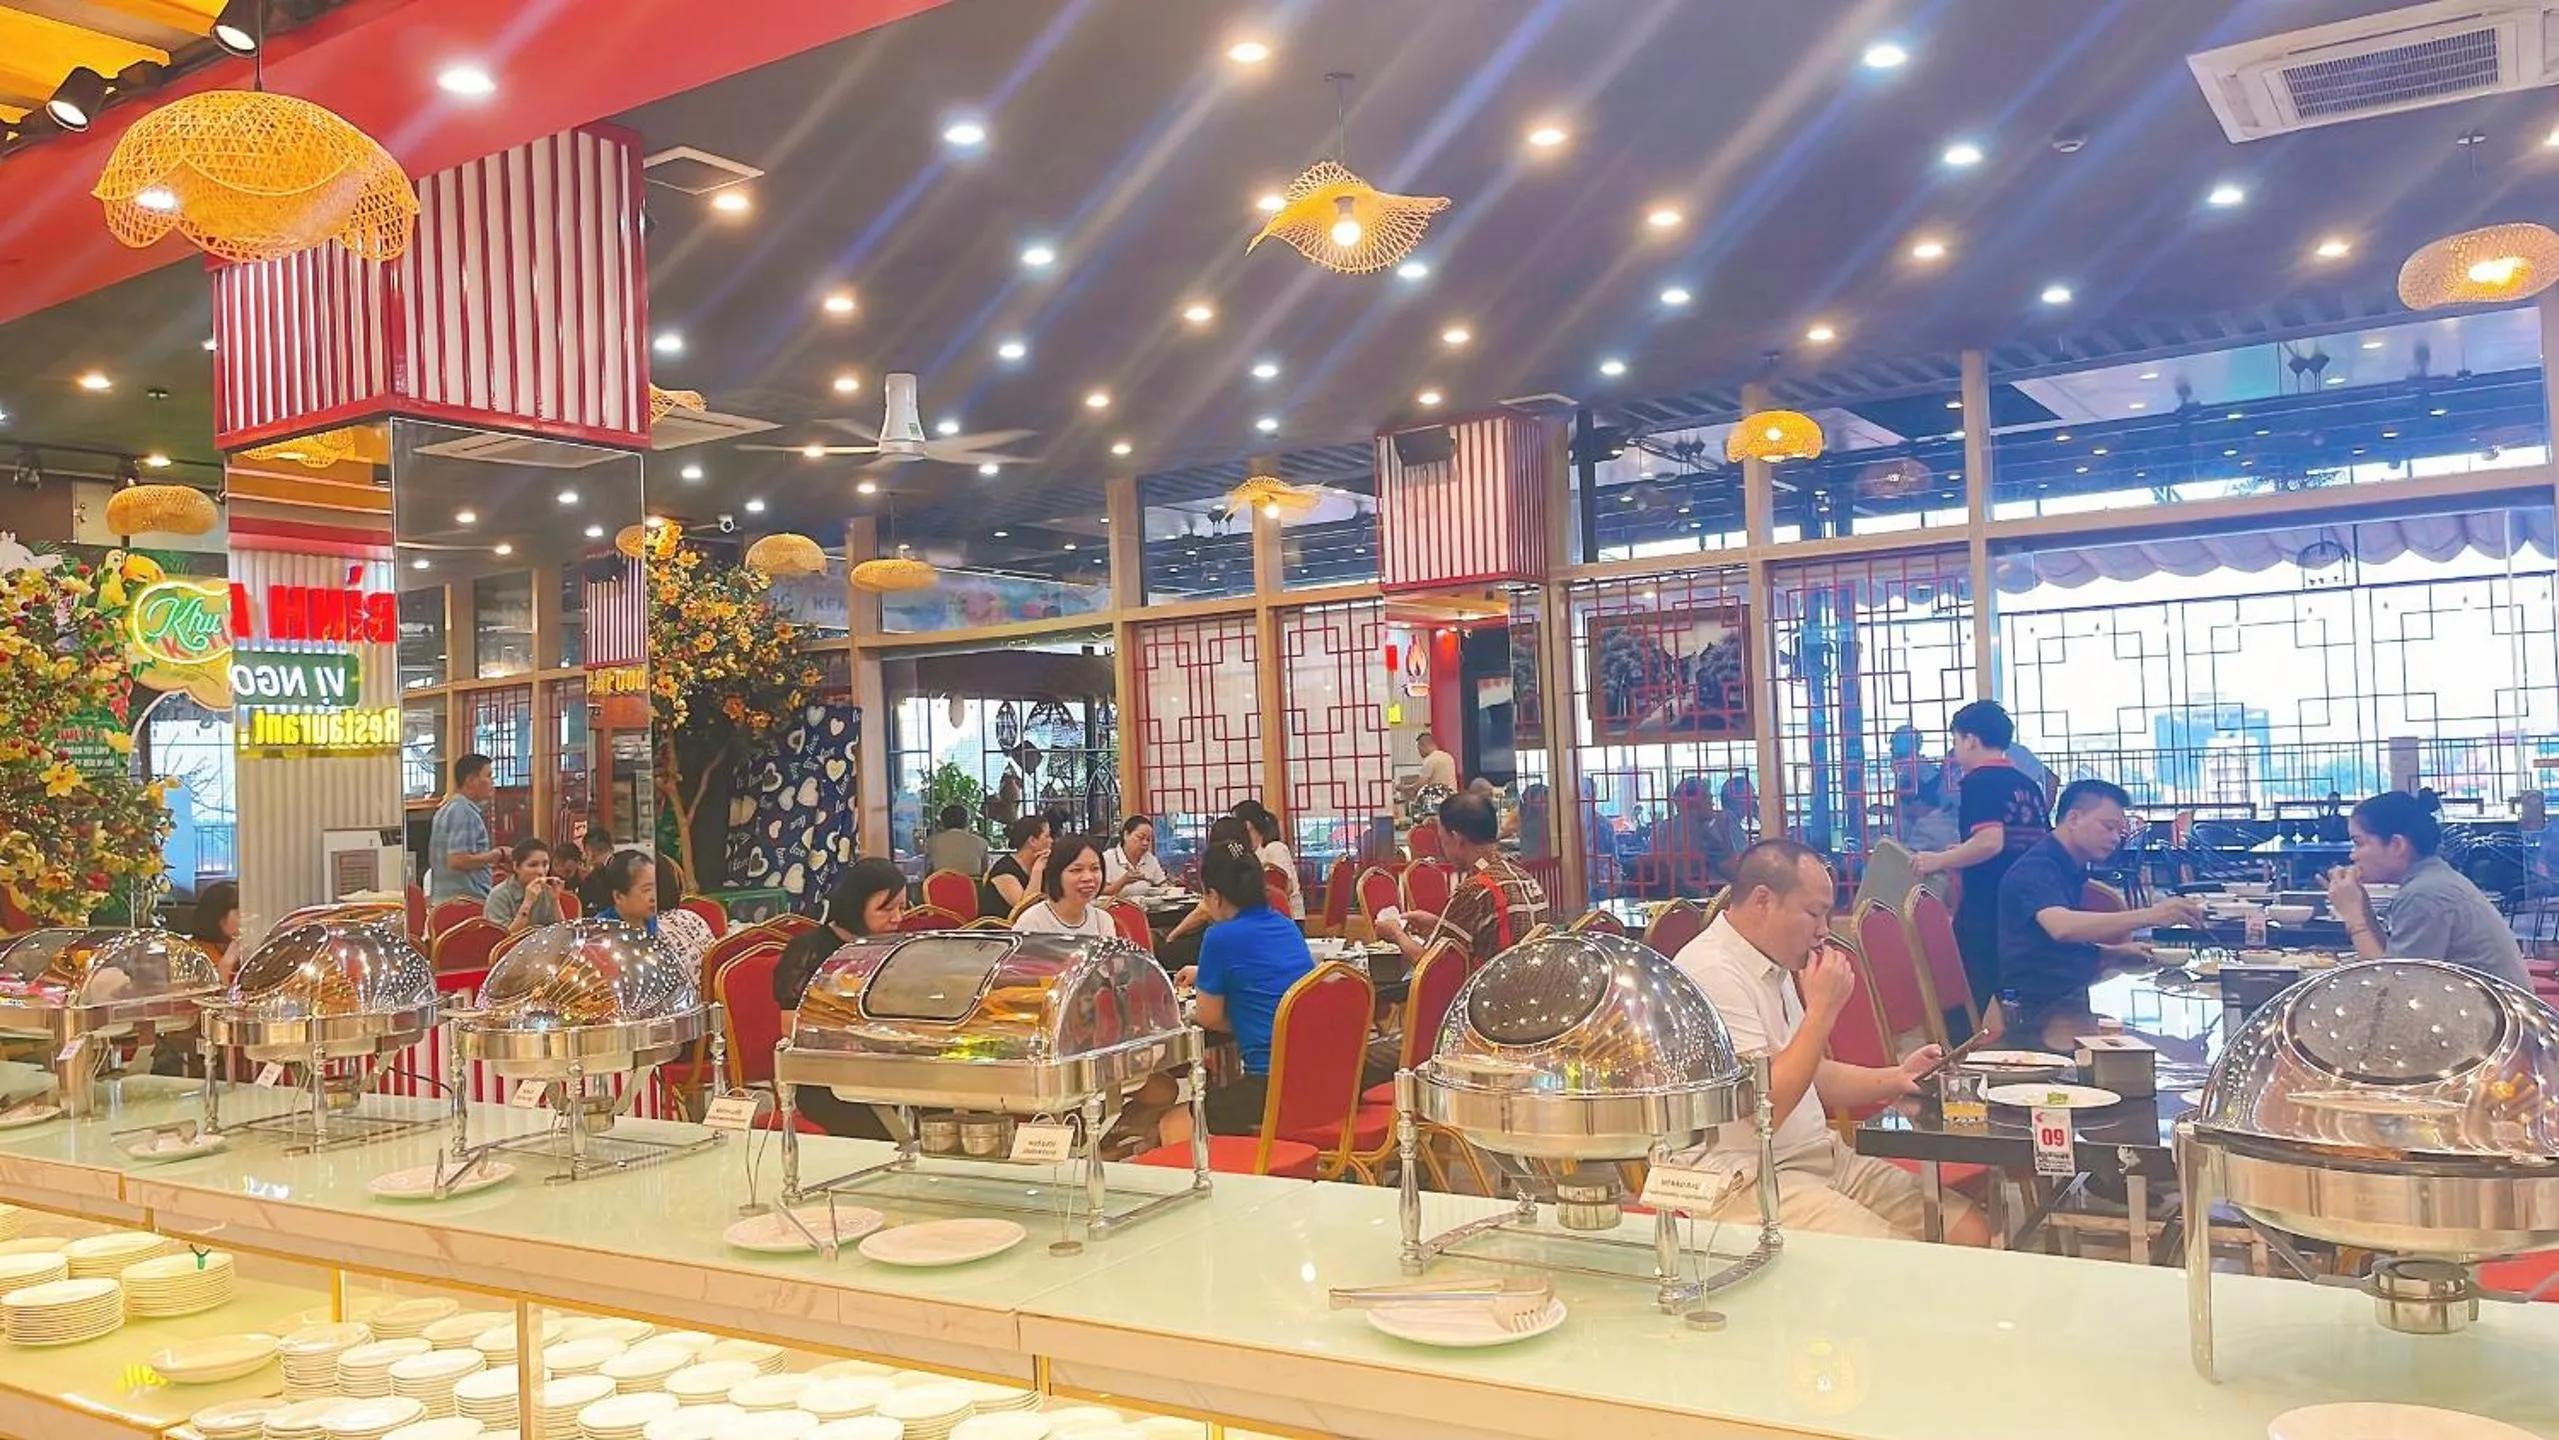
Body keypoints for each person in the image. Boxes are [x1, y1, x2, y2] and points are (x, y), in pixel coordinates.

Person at [1670, 839, 1989, 1244]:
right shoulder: (1711, 972)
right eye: (1814, 913)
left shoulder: (1773, 958)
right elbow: (1763, 1108)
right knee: (1904, 1259)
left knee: (1968, 1231)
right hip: (1749, 1175)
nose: (1824, 930)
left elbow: (1811, 1072)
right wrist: (1821, 1014)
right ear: (1763, 901)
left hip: (1820, 1156)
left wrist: (1895, 1078)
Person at [1994, 780, 2207, 1050]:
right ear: (2073, 818)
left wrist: (2111, 952)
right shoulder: (2037, 866)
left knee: (2154, 1045)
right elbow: (2061, 928)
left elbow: (2043, 945)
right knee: (2140, 1063)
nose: (2115, 838)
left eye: (2119, 831)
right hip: (2039, 1011)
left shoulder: (2068, 863)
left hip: (2068, 994)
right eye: (2108, 827)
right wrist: (2152, 914)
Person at [1161, 837, 1318, 1146]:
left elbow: (1208, 1016)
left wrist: (1241, 1016)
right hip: (1316, 1078)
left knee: (1174, 1122)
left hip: (1272, 1086)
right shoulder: (1284, 925)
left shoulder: (1220, 937)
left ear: (1215, 896)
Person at [1910, 701, 2049, 1029]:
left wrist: (1938, 859)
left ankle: (1954, 1066)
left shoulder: (1979, 781)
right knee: (2015, 1005)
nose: (1956, 750)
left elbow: (1991, 842)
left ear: (1970, 740)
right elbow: (2016, 843)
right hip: (2027, 908)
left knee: (1959, 998)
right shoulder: (2026, 783)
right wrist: (1964, 850)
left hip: (1987, 909)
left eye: (1956, 741)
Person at [2325, 791, 2530, 987]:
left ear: (2397, 845)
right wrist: (2361, 906)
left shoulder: (2424, 894)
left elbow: (2394, 990)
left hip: (2498, 1019)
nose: (2353, 856)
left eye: (2359, 843)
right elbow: (2391, 961)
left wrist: (2354, 918)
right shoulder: (2430, 877)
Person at [774, 858, 906, 1138]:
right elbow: (791, 1025)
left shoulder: (892, 946)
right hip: (829, 1078)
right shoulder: (810, 950)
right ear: (856, 906)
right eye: (886, 909)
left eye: (901, 907)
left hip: (887, 1068)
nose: (897, 918)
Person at [1379, 792, 1549, 967]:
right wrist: (1438, 923)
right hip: (1529, 984)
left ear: (1457, 839)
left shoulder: (1475, 890)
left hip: (1492, 990)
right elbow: (1490, 931)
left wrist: (1396, 933)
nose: (1443, 851)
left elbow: (1433, 967)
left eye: (1443, 841)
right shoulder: (1523, 876)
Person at [589, 851, 712, 978]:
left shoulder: (658, 927)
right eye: (646, 890)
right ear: (618, 896)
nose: (654, 897)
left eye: (655, 889)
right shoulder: (598, 935)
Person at [1013, 835, 1128, 941]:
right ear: (1056, 875)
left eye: (1095, 869)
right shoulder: (1032, 922)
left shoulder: (1103, 921)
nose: (1088, 878)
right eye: (1076, 870)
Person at [426, 754, 505, 902]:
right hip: (466, 903)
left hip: (448, 901)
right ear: (470, 780)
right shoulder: (463, 812)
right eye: (488, 776)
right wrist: (497, 854)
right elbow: (457, 859)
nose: (492, 782)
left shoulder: (447, 809)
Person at [1232, 800, 1304, 921]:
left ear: (1247, 824)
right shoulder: (1251, 852)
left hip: (1288, 919)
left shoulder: (1275, 848)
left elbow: (1285, 887)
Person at [484, 838, 569, 933]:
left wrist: (555, 901)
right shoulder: (498, 895)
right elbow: (503, 940)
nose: (541, 871)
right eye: (533, 865)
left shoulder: (546, 890)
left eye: (545, 864)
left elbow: (563, 934)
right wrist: (528, 902)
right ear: (516, 866)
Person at [979, 814, 1053, 918]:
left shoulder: (1041, 865)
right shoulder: (1005, 870)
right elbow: (1025, 911)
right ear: (1032, 841)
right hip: (1001, 930)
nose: (1051, 841)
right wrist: (1038, 870)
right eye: (1047, 836)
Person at [1102, 814, 1170, 898]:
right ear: (1126, 835)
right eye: (1140, 838)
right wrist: (1123, 881)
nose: (1145, 843)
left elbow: (1162, 885)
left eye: (1148, 839)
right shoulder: (1107, 858)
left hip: (1146, 909)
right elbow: (1100, 892)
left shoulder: (1150, 859)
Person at [188, 881, 241, 978]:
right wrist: (226, 964)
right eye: (239, 913)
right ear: (217, 916)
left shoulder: (246, 950)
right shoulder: (195, 955)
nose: (249, 919)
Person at [923, 804, 989, 878]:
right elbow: (985, 873)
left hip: (941, 886)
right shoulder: (981, 842)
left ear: (943, 822)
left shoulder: (932, 841)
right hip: (972, 887)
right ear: (966, 821)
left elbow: (926, 867)